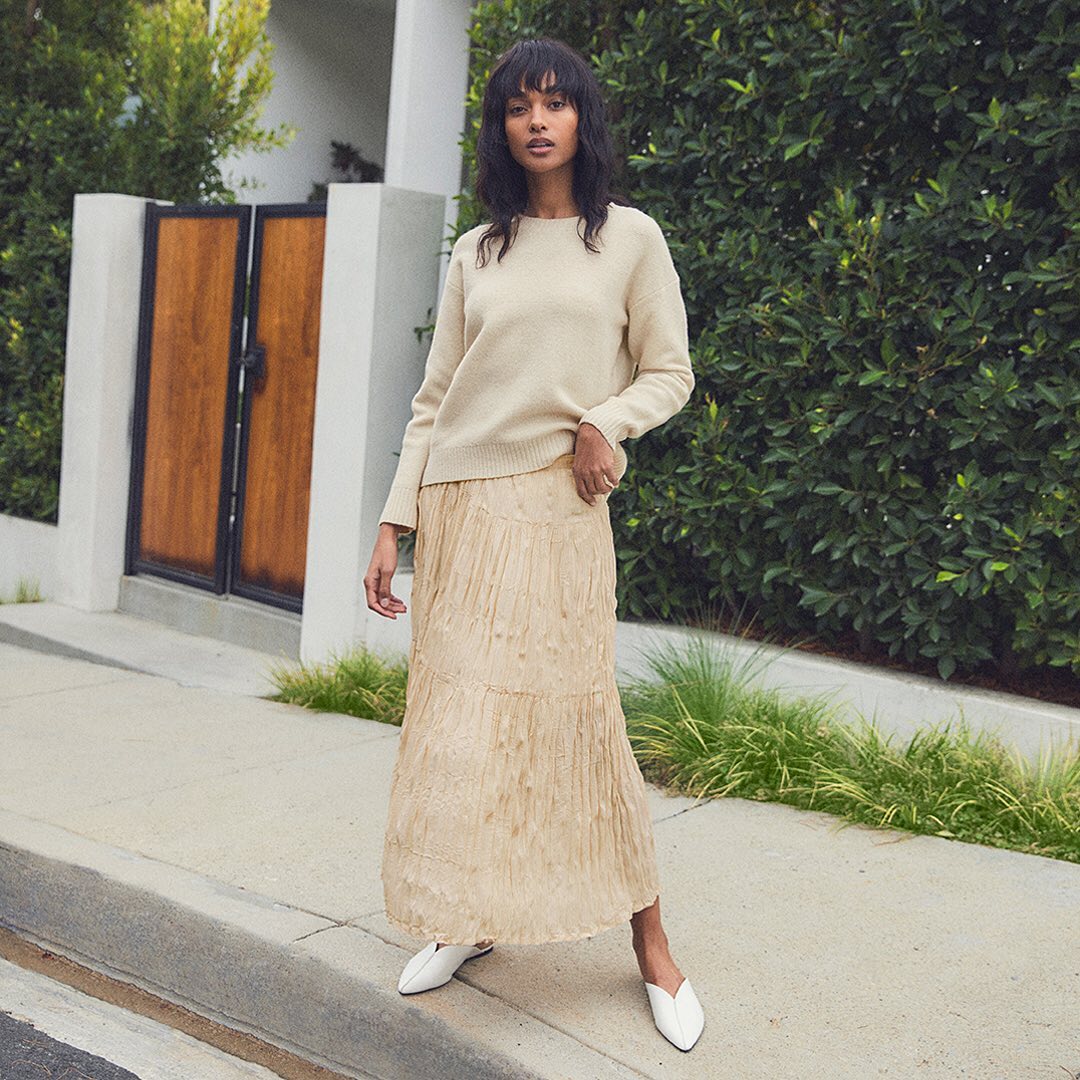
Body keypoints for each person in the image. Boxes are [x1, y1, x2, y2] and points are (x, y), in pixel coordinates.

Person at [364, 37, 703, 1053]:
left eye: (556, 102)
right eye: (519, 106)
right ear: (501, 128)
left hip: (558, 513)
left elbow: (670, 371)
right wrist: (392, 522)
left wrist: (604, 422)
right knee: (464, 731)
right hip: (463, 513)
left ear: (581, 119)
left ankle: (651, 942)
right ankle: (471, 917)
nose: (538, 120)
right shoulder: (477, 250)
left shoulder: (630, 239)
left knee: (581, 723)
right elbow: (435, 400)